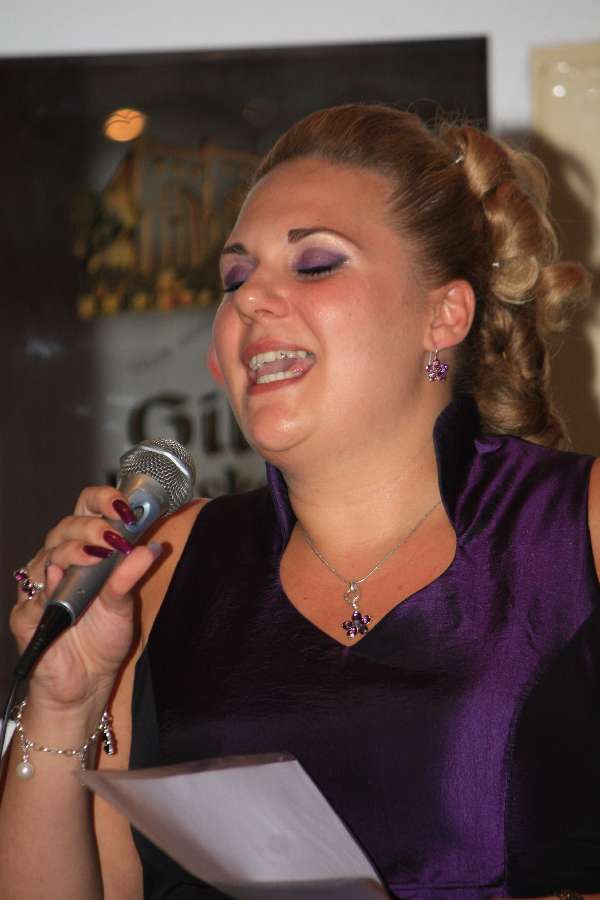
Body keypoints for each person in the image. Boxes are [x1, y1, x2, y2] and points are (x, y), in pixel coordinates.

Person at [0, 103, 599, 900]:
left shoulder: (578, 528)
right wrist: (62, 705)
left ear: (443, 315)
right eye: (234, 279)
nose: (250, 300)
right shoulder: (159, 571)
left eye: (314, 264)